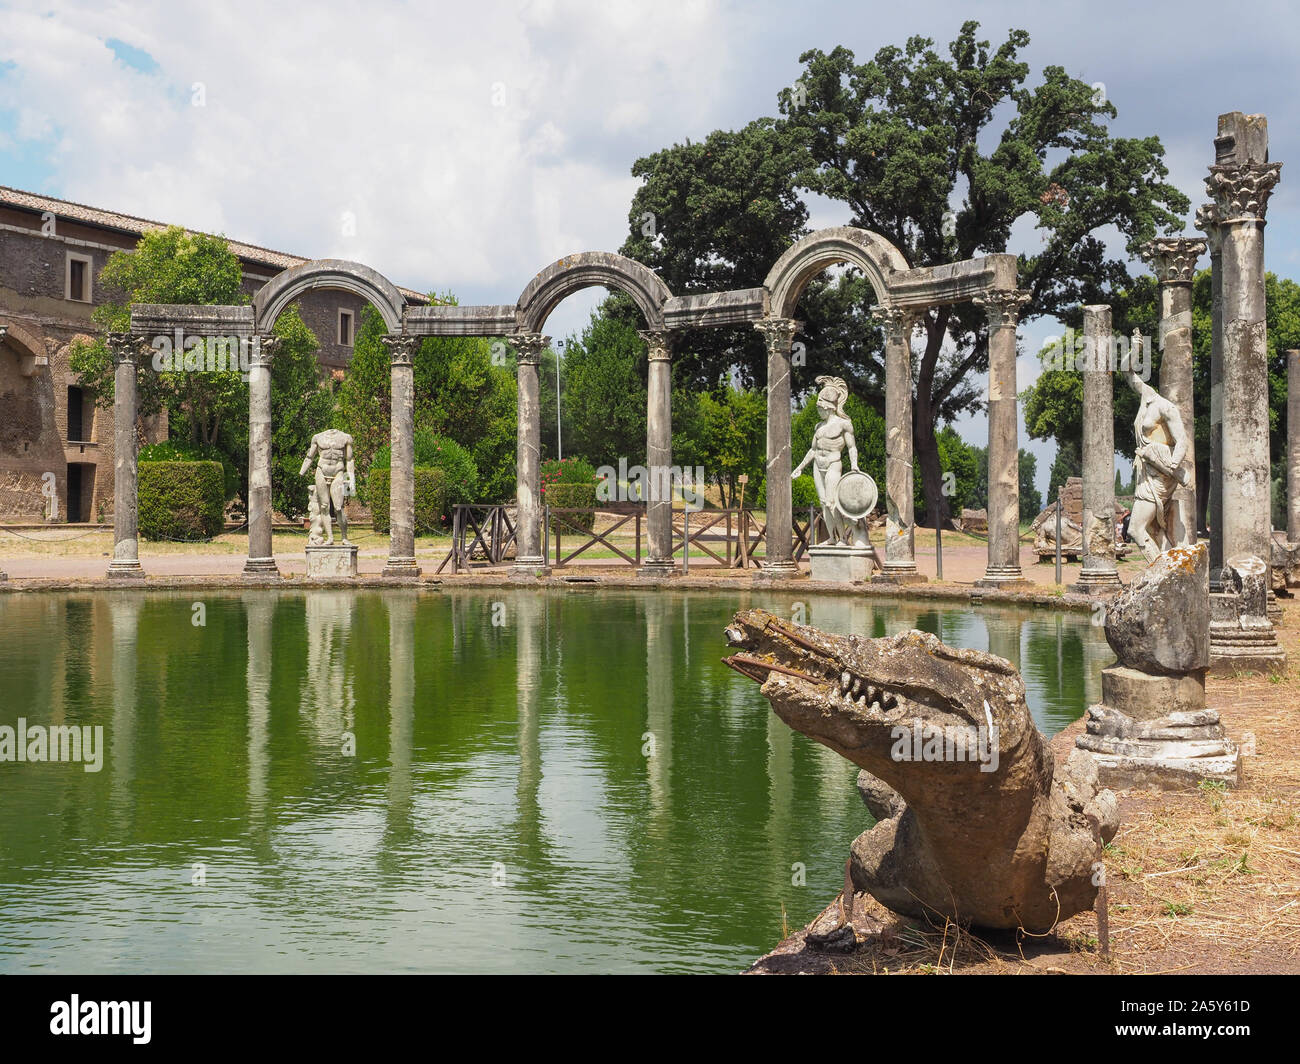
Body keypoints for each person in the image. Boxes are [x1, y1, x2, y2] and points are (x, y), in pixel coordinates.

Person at [1121, 331, 1190, 562]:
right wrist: (1135, 350)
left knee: (1135, 529)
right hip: (1146, 468)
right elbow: (1127, 372)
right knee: (1154, 530)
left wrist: (1172, 463)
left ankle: (1159, 572)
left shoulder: (1167, 408)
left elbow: (1182, 440)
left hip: (1161, 473)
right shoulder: (1147, 396)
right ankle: (1169, 567)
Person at [792, 376, 869, 547]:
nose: (818, 410)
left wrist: (854, 464)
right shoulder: (818, 427)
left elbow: (852, 447)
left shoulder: (844, 424)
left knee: (831, 502)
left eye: (820, 407)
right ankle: (832, 538)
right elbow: (813, 450)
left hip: (834, 464)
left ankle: (842, 538)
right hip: (817, 466)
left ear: (828, 408)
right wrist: (799, 468)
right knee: (823, 504)